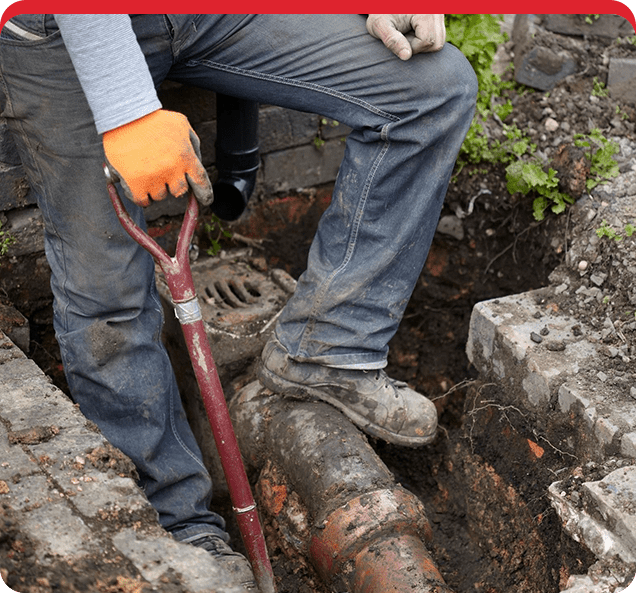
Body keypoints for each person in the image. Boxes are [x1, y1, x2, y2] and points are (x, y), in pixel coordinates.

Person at [0, 13, 477, 591]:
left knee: (431, 89)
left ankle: (328, 350)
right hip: (65, 27)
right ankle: (177, 526)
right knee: (108, 299)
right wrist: (126, 107)